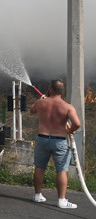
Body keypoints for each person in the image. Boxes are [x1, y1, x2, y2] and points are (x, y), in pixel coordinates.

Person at [29, 79, 82, 209]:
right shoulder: (68, 107)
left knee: (40, 167)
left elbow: (31, 110)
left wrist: (42, 100)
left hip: (42, 139)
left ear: (51, 89)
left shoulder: (41, 102)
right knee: (62, 170)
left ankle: (37, 195)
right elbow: (77, 124)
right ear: (61, 91)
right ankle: (62, 200)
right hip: (59, 141)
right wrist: (70, 130)